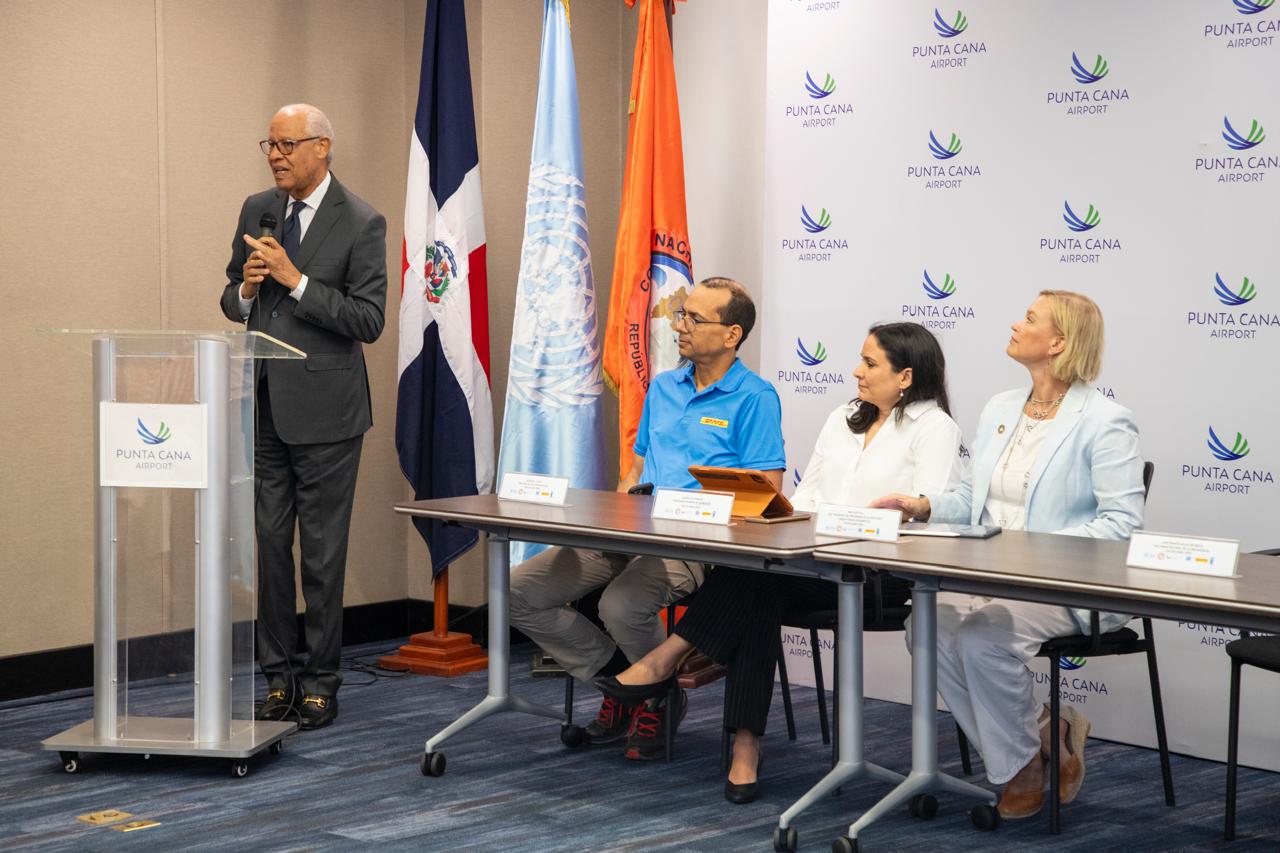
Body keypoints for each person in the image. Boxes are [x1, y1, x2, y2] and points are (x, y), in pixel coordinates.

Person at [596, 323, 965, 802]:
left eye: (870, 363)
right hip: (817, 565)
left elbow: (931, 509)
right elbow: (806, 493)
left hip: (885, 577)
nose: (856, 371)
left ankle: (667, 665)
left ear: (905, 376)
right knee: (757, 582)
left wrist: (900, 509)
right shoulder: (845, 417)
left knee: (755, 586)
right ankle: (742, 745)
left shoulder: (935, 427)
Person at [872, 290, 1144, 819]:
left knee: (981, 636)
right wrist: (923, 505)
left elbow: (1121, 526)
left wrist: (1030, 553)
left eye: (1030, 319)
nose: (1016, 325)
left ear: (1058, 342)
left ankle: (1020, 770)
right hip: (993, 579)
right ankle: (1048, 730)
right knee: (924, 625)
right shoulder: (1001, 407)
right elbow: (975, 502)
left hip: (1070, 585)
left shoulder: (1106, 420)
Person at [509, 277, 785, 760]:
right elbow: (635, 468)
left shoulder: (754, 397)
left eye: (695, 319)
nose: (680, 325)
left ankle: (651, 692)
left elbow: (769, 492)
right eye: (682, 315)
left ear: (732, 334)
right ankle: (624, 686)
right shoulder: (663, 387)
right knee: (518, 591)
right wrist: (615, 513)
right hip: (633, 530)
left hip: (697, 545)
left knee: (620, 604)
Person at [219, 104, 387, 730]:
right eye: (270, 142)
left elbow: (367, 320)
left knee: (320, 554)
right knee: (266, 546)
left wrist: (294, 281)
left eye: (288, 144)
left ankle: (321, 680)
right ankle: (276, 678)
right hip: (262, 406)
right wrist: (247, 290)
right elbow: (232, 296)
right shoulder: (257, 209)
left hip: (328, 413)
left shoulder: (363, 221)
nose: (276, 154)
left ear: (323, 148)